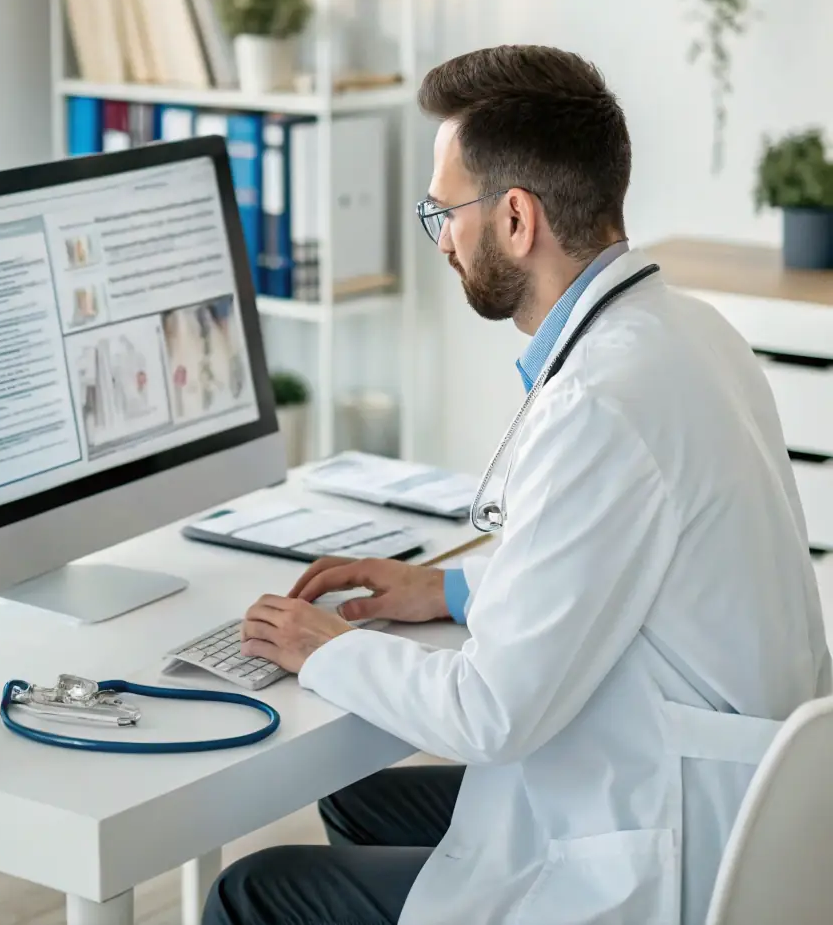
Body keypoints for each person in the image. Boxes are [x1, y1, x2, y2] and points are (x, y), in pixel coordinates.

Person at [203, 46, 831, 925]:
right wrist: (451, 586)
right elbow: (633, 570)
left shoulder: (598, 401)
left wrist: (324, 646)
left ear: (516, 219)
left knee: (251, 891)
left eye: (443, 210)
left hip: (669, 843)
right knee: (358, 800)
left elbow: (489, 712)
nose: (441, 236)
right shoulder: (689, 332)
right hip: (736, 803)